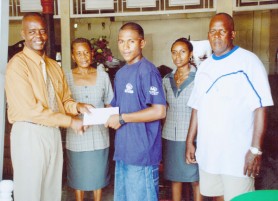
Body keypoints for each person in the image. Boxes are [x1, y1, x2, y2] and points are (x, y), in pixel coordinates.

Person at [185, 13, 274, 201]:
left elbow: (261, 107)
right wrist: (189, 141)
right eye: (212, 32)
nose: (216, 36)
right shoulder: (204, 68)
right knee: (216, 195)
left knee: (238, 198)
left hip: (237, 156)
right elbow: (197, 106)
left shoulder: (249, 62)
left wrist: (256, 150)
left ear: (232, 34)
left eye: (222, 31)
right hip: (209, 152)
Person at [5, 12, 92, 201]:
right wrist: (70, 122)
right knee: (29, 192)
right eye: (32, 31)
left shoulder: (54, 66)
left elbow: (63, 101)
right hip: (29, 132)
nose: (39, 36)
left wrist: (78, 107)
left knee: (51, 192)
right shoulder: (17, 66)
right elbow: (31, 111)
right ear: (23, 34)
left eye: (42, 31)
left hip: (53, 133)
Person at [105, 22, 166, 201]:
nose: (125, 47)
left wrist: (122, 119)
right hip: (123, 150)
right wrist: (97, 112)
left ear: (142, 43)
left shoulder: (148, 71)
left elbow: (159, 111)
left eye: (131, 41)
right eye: (121, 42)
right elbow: (116, 107)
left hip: (142, 153)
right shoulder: (121, 73)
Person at [65, 38, 113, 201]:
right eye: (78, 53)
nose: (83, 56)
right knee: (78, 175)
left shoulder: (102, 76)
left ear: (92, 54)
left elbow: (109, 102)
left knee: (97, 175)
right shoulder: (66, 78)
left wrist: (108, 117)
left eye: (86, 52)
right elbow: (63, 105)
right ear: (73, 56)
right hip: (76, 135)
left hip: (99, 135)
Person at [162, 38, 202, 201]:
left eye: (182, 51)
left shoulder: (199, 77)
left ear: (190, 54)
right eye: (174, 52)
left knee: (195, 178)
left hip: (193, 136)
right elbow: (164, 108)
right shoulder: (166, 79)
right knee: (175, 177)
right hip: (170, 135)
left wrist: (192, 139)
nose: (178, 56)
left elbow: (200, 109)